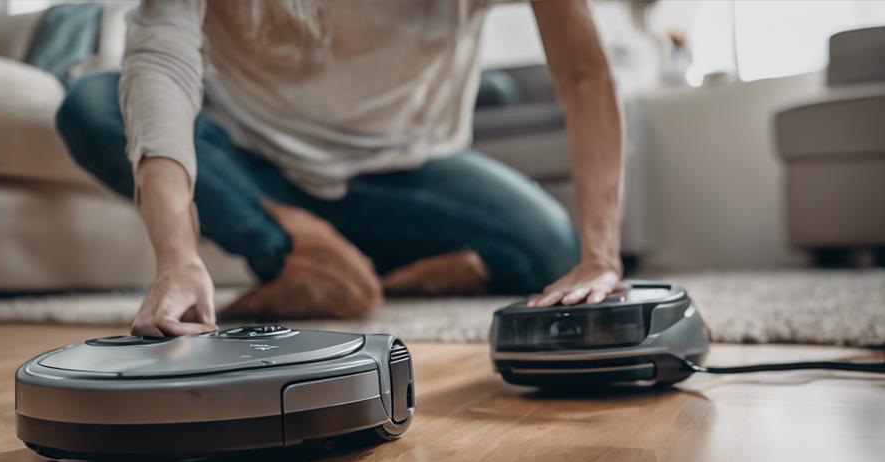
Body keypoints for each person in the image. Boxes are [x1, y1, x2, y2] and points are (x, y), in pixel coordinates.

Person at [56, 0, 623, 337]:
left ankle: (364, 268)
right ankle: (298, 251)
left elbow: (582, 72)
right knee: (92, 105)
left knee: (550, 250)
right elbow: (162, 62)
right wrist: (178, 258)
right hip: (253, 163)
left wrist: (600, 256)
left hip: (409, 171)